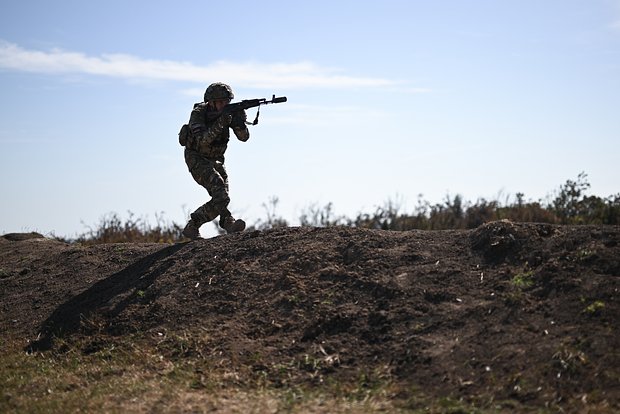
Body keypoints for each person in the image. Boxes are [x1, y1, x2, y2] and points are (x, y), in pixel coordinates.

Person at [181, 82, 250, 239]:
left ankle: (228, 222)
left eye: (227, 101)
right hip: (196, 157)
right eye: (220, 101)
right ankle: (193, 224)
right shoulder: (198, 114)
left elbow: (244, 138)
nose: (224, 104)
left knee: (222, 194)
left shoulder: (227, 114)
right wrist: (222, 122)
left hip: (216, 159)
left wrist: (239, 123)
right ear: (210, 102)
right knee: (221, 194)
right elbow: (203, 140)